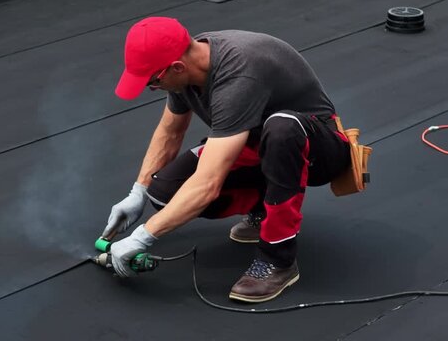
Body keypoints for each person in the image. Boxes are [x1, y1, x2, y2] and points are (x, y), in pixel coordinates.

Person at [102, 16, 350, 302]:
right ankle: (263, 210)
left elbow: (208, 183)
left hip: (319, 150)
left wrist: (142, 237)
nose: (153, 88)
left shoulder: (238, 76)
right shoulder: (188, 67)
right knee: (165, 192)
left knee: (282, 128)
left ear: (177, 67)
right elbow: (170, 132)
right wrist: (139, 191)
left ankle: (279, 259)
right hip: (258, 143)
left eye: (154, 83)